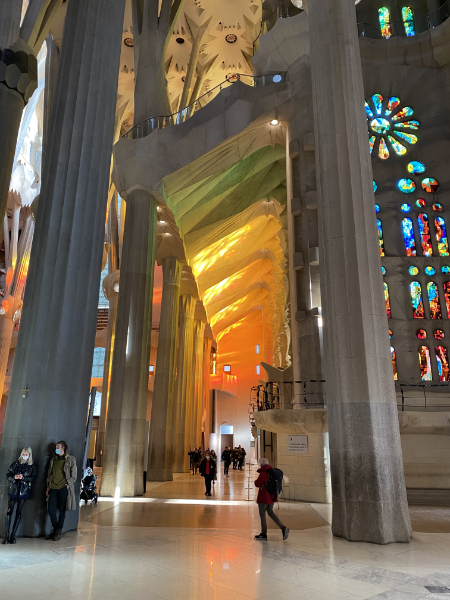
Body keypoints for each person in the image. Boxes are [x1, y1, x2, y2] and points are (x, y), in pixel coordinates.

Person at [3, 447, 36, 544]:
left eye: (26, 454)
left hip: (23, 490)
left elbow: (32, 477)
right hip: (13, 490)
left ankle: (13, 535)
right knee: (9, 511)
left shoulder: (32, 466)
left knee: (19, 512)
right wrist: (14, 477)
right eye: (23, 454)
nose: (24, 456)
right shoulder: (15, 463)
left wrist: (24, 478)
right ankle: (6, 535)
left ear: (29, 455)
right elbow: (7, 475)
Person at [46, 440, 77, 541]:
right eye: (56, 447)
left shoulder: (70, 459)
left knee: (62, 510)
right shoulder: (53, 459)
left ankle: (57, 531)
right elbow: (50, 473)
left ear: (63, 448)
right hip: (53, 487)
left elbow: (74, 475)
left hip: (63, 487)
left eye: (58, 447)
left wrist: (68, 484)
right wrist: (48, 486)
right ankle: (56, 529)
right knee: (51, 509)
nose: (56, 449)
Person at [254, 457, 289, 541]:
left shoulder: (263, 473)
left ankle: (263, 534)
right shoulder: (273, 472)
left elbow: (258, 484)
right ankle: (283, 528)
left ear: (261, 464)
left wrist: (255, 481)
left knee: (262, 514)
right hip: (272, 496)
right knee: (270, 512)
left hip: (264, 497)